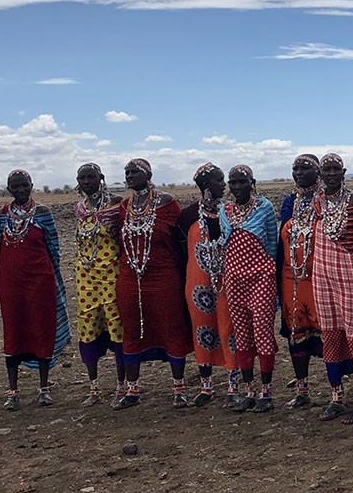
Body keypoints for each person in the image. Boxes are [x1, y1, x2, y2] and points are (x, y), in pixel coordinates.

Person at [113, 158, 193, 410]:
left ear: (148, 174)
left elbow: (179, 239)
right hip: (130, 278)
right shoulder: (124, 207)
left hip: (163, 277)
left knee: (171, 328)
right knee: (131, 330)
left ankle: (179, 388)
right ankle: (132, 390)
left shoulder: (167, 203)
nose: (129, 176)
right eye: (126, 173)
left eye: (133, 172)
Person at [0, 170, 71, 410]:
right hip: (10, 283)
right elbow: (1, 245)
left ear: (31, 186)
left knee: (41, 329)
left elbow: (54, 249)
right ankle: (13, 391)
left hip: (40, 281)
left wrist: (54, 280)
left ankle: (44, 388)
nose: (20, 190)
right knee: (13, 330)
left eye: (24, 185)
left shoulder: (43, 213)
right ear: (8, 189)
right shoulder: (2, 215)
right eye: (15, 186)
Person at [312, 153, 353, 424]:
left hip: (350, 272)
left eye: (335, 169)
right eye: (325, 170)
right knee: (330, 335)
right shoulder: (318, 202)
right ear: (320, 174)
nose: (330, 174)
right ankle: (336, 396)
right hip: (321, 275)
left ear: (344, 172)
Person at [178, 163, 241, 408]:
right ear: (206, 185)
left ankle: (233, 385)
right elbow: (181, 251)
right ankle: (206, 386)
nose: (224, 185)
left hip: (228, 281)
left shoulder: (231, 211)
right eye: (219, 180)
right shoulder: (187, 217)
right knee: (202, 332)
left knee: (229, 329)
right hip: (197, 284)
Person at [219, 165, 279, 412]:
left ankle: (266, 392)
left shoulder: (264, 208)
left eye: (241, 182)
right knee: (242, 334)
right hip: (233, 280)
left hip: (262, 278)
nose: (236, 187)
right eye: (232, 182)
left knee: (263, 333)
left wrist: (268, 274)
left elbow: (272, 244)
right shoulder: (225, 211)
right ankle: (249, 391)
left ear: (252, 182)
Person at [73, 163, 126, 405]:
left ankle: (121, 385)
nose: (86, 182)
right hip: (86, 274)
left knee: (116, 322)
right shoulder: (79, 208)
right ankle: (93, 387)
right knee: (88, 323)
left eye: (91, 177)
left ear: (101, 178)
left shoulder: (117, 203)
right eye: (82, 178)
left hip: (112, 271)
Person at [278, 154, 324, 409]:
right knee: (295, 335)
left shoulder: (328, 201)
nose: (298, 173)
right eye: (295, 168)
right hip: (291, 280)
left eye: (304, 168)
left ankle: (335, 391)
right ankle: (302, 389)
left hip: (319, 278)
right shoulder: (289, 203)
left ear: (317, 172)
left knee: (326, 334)